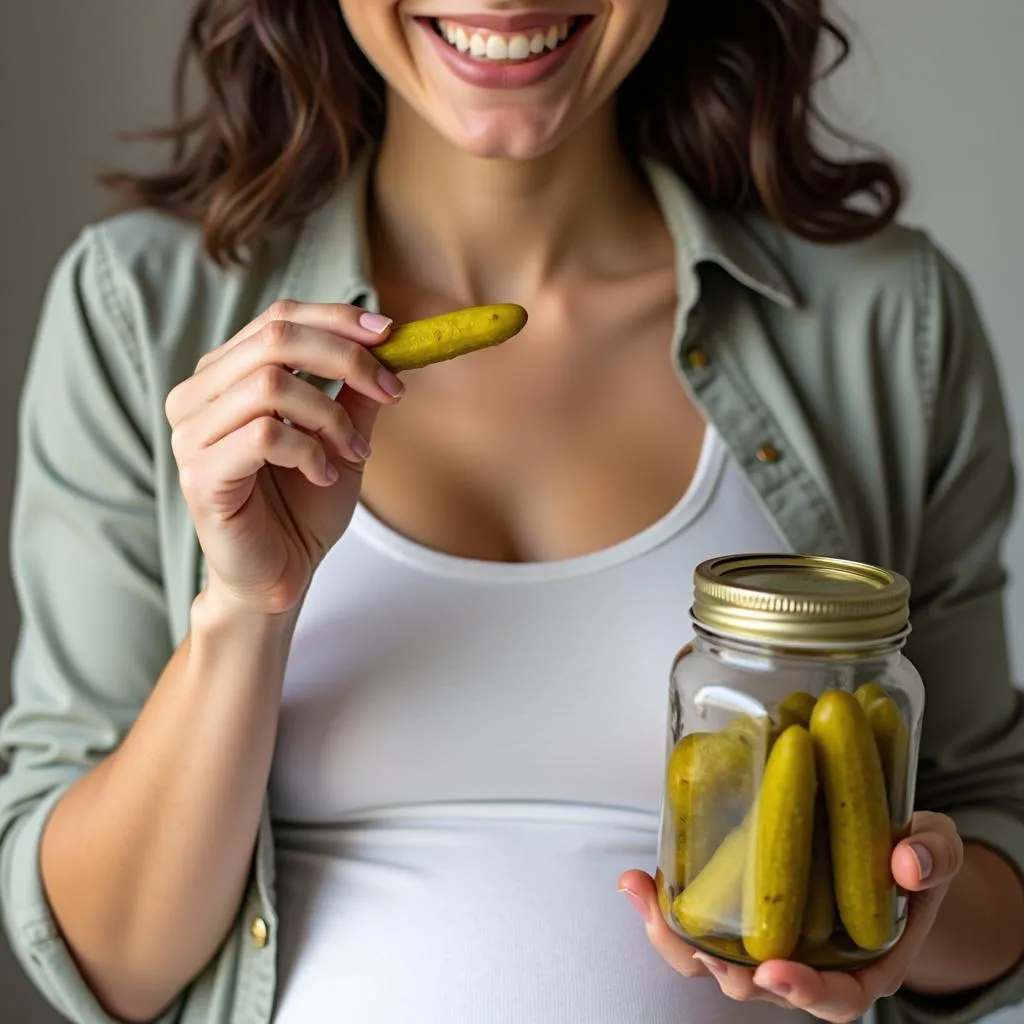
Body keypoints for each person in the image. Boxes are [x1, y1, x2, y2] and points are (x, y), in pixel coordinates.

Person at [1, 1, 1023, 1022]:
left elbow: (994, 838)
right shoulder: (136, 305)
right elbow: (111, 961)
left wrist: (905, 907)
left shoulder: (894, 319)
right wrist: (246, 604)